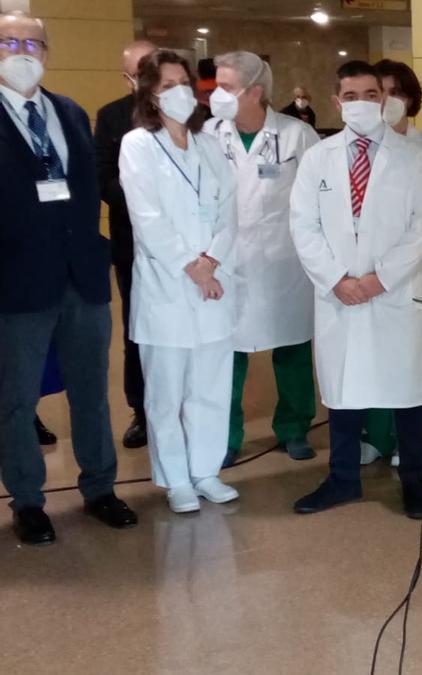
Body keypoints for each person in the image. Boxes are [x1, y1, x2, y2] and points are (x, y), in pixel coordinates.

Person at [0, 11, 138, 544]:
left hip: (82, 277)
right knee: (15, 399)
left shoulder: (72, 113)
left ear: (47, 51)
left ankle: (100, 487)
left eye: (33, 43)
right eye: (9, 41)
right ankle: (28, 500)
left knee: (91, 393)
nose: (22, 51)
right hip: (17, 283)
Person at [289, 60, 422, 517]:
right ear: (336, 102)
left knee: (407, 389)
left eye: (370, 95)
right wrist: (337, 280)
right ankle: (342, 479)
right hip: (339, 295)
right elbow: (303, 224)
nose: (360, 104)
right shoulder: (319, 157)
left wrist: (378, 279)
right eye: (350, 97)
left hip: (395, 292)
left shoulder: (415, 157)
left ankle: (413, 479)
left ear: (385, 100)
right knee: (344, 388)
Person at [119, 49, 240, 514]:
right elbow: (146, 218)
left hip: (214, 283)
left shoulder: (209, 144)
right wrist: (192, 266)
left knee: (210, 385)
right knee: (166, 392)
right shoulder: (137, 145)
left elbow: (230, 210)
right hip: (168, 286)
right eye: (167, 85)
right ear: (149, 93)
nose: (179, 93)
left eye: (183, 82)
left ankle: (206, 470)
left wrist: (211, 260)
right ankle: (176, 479)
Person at [204, 51, 320, 467]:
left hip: (283, 261)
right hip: (226, 260)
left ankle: (293, 427)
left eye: (227, 87)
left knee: (291, 346)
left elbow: (318, 199)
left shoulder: (296, 136)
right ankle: (227, 434)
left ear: (255, 92)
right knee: (227, 353)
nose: (217, 95)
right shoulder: (208, 133)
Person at [359, 59, 422, 468]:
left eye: (398, 92)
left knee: (415, 353)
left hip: (415, 271)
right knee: (373, 353)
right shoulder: (361, 147)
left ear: (411, 100)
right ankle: (376, 437)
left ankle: (407, 441)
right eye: (383, 92)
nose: (390, 101)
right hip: (368, 273)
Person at [94, 38, 157, 450]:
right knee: (137, 329)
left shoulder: (190, 115)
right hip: (133, 243)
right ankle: (142, 410)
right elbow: (104, 180)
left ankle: (184, 406)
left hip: (188, 248)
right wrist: (150, 201)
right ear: (128, 77)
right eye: (141, 71)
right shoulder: (112, 117)